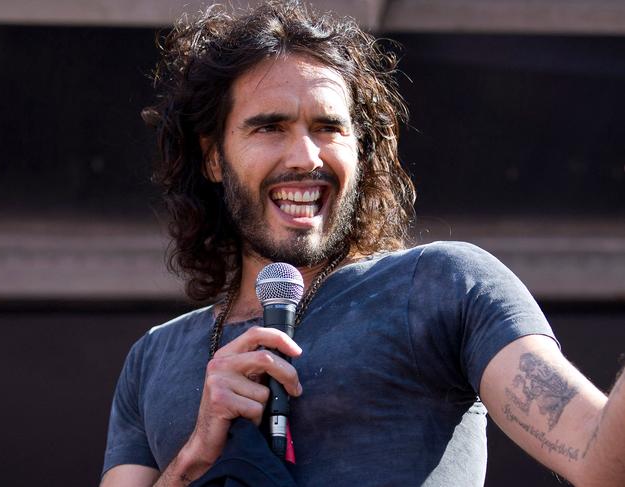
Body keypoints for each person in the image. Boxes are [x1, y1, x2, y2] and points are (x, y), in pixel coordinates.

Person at [101, 2, 625, 486]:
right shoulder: (153, 358)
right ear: (214, 158)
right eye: (270, 127)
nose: (304, 155)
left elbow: (601, 463)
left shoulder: (444, 286)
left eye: (328, 127)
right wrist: (196, 452)